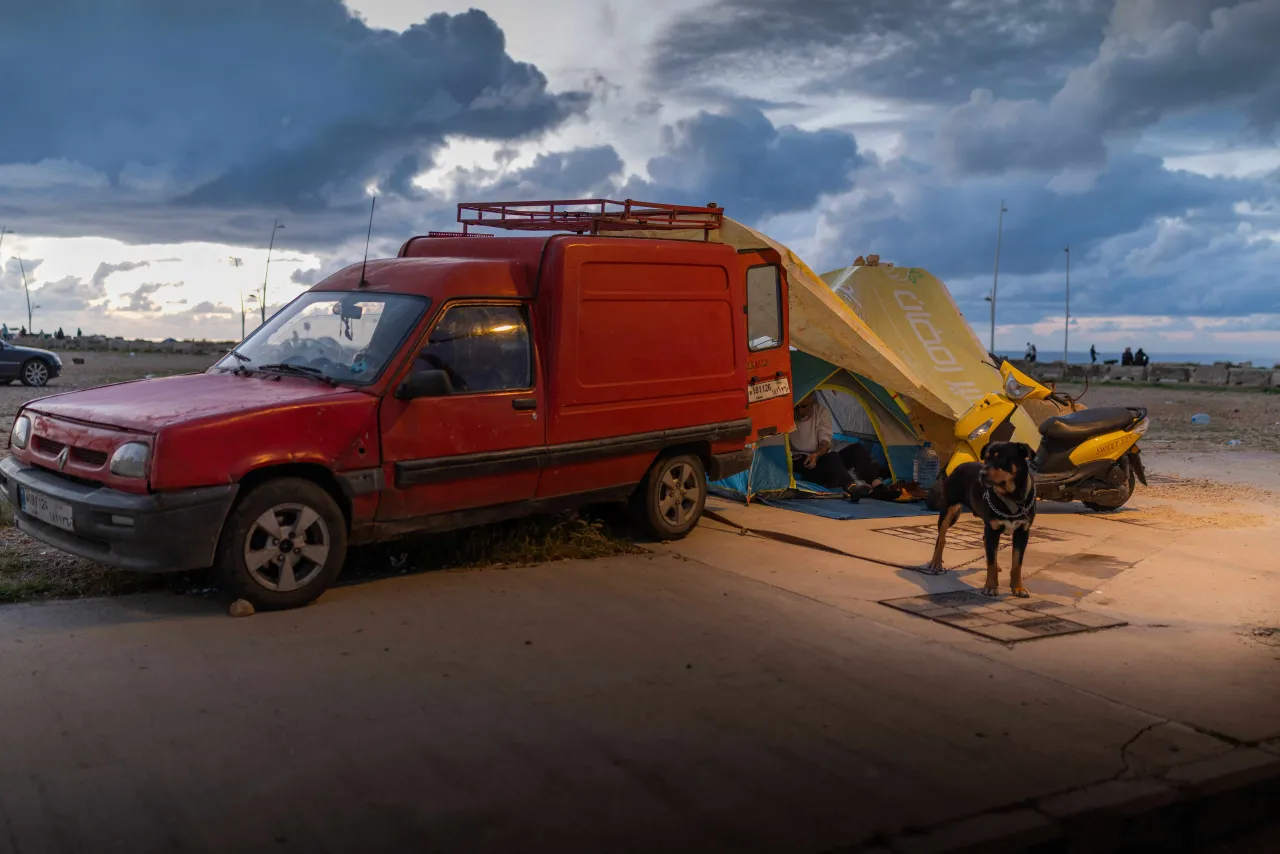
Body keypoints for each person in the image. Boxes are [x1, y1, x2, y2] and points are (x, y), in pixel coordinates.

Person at [789, 394, 894, 501]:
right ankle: (851, 488)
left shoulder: (821, 412)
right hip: (801, 460)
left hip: (818, 456)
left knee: (856, 449)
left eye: (804, 406)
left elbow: (825, 440)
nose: (800, 411)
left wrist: (816, 455)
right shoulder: (788, 413)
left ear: (813, 402)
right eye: (797, 407)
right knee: (832, 457)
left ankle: (878, 486)